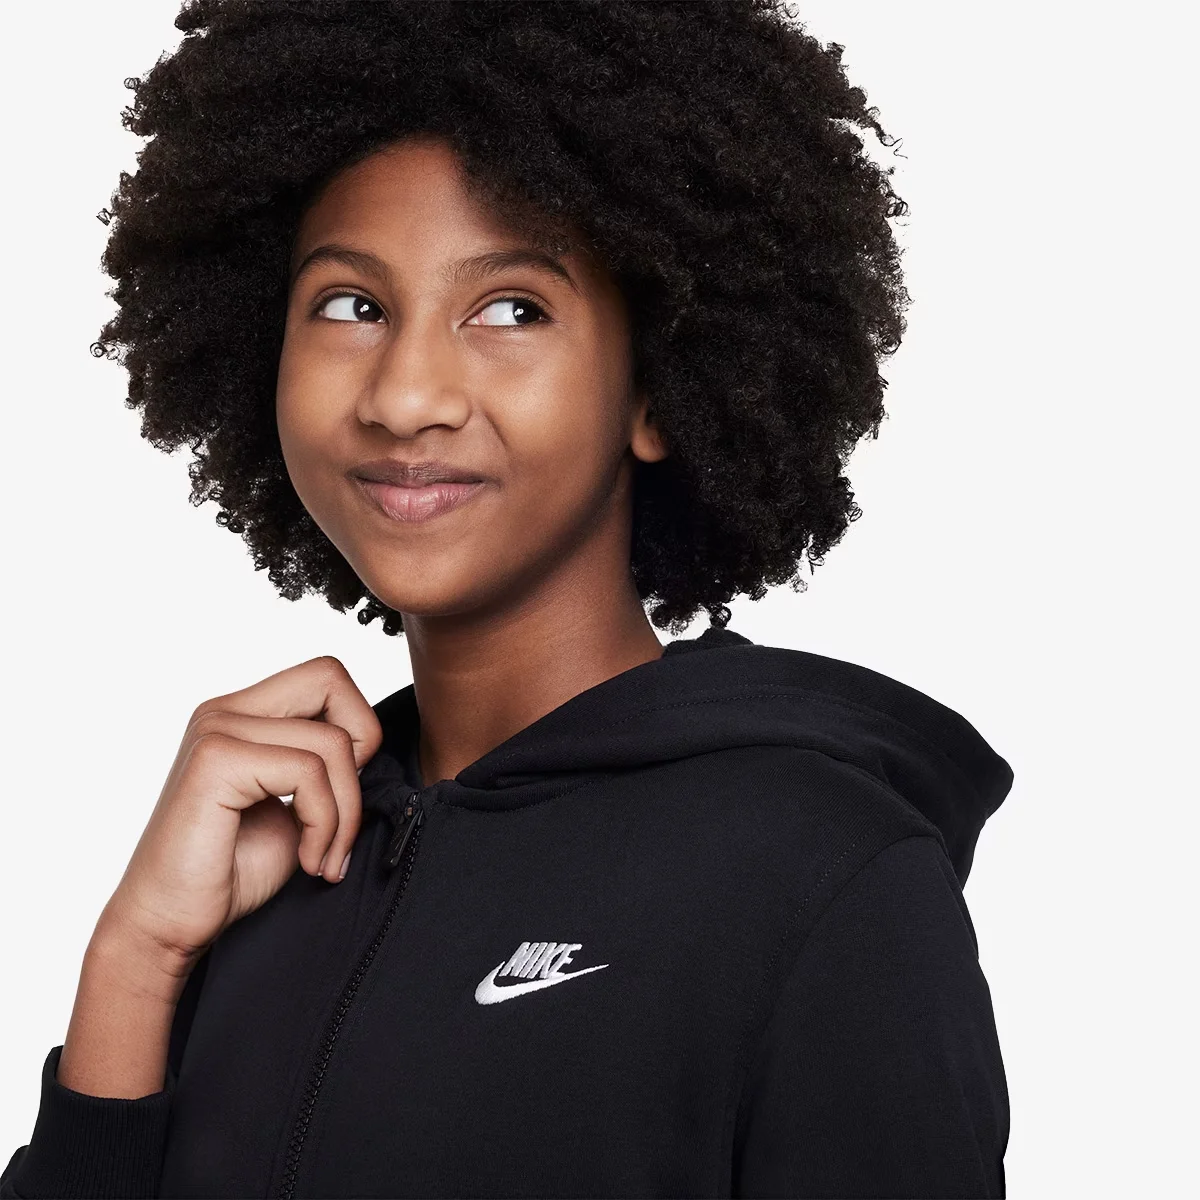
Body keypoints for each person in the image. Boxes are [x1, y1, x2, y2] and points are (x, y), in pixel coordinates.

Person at [2, 1, 1012, 1196]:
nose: (406, 396)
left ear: (654, 392)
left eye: (512, 309)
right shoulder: (258, 866)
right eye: (351, 305)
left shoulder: (822, 879)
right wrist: (136, 959)